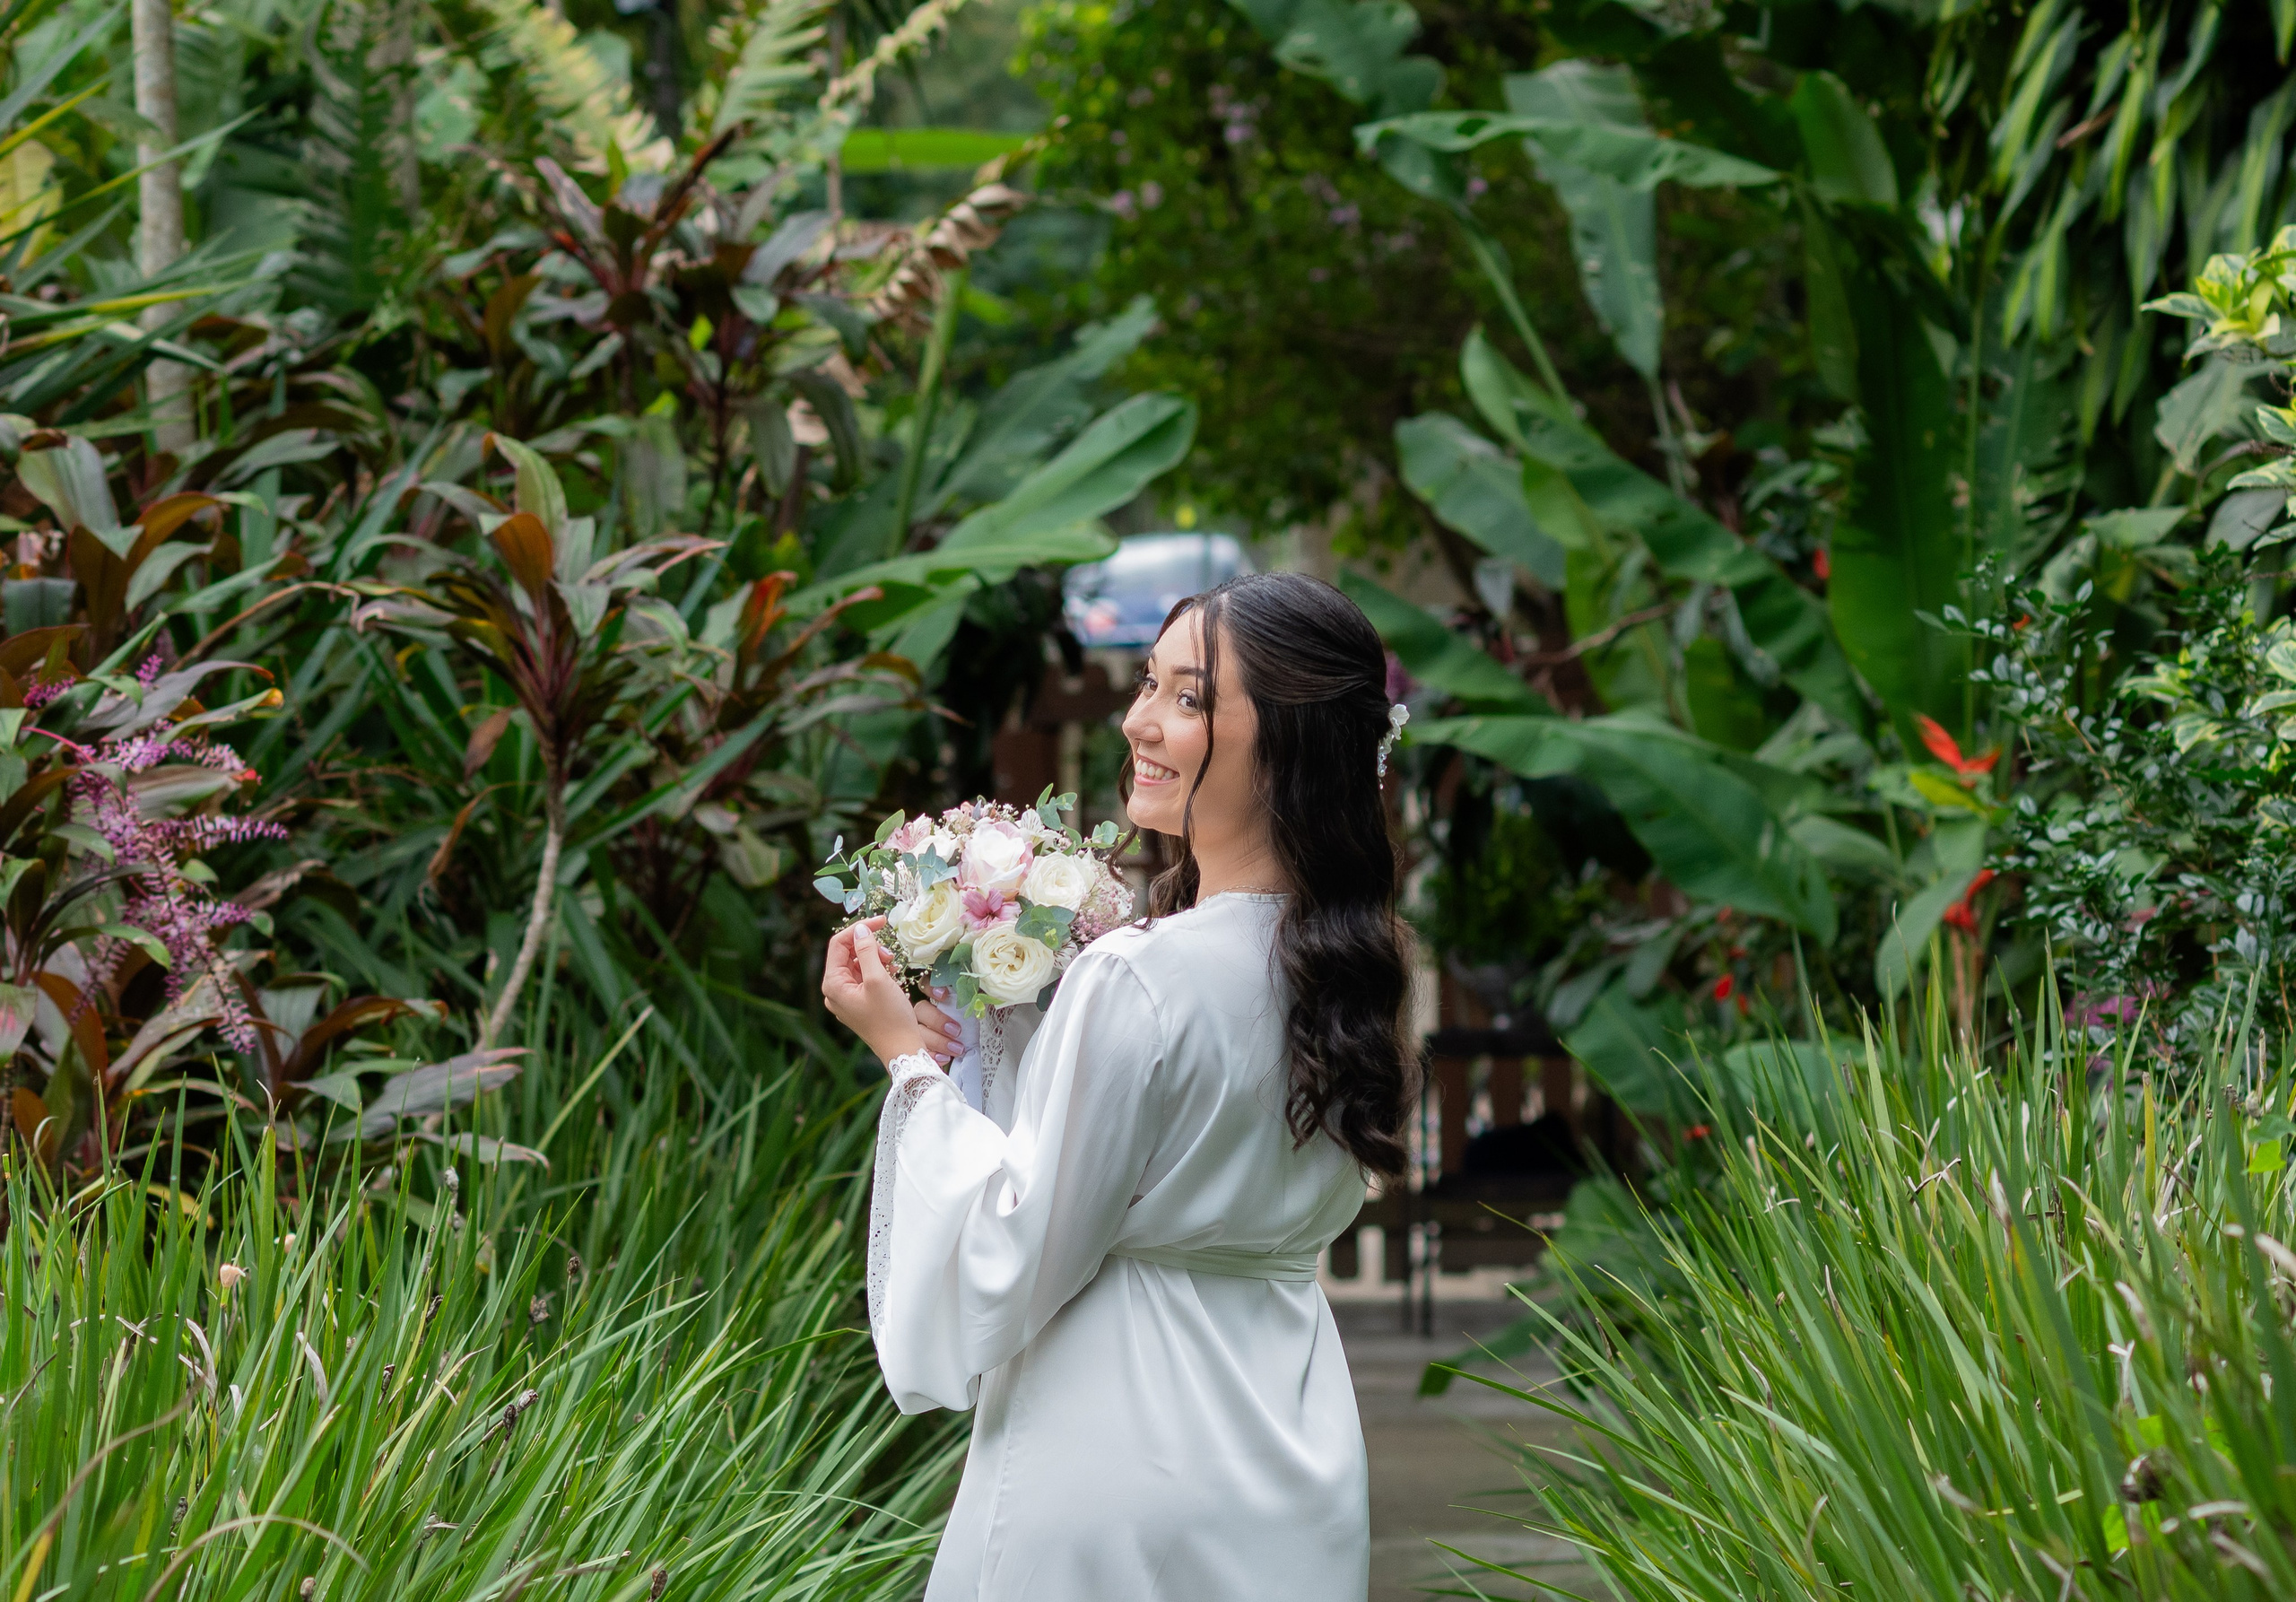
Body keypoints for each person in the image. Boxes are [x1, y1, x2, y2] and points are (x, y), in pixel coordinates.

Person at [820, 571, 1416, 1600]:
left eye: (1189, 699)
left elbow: (1013, 1241)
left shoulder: (1137, 975)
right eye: (1149, 684)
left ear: (1288, 745)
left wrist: (906, 1061)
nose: (1140, 719)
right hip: (1290, 1442)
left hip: (1112, 1437)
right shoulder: (1360, 970)